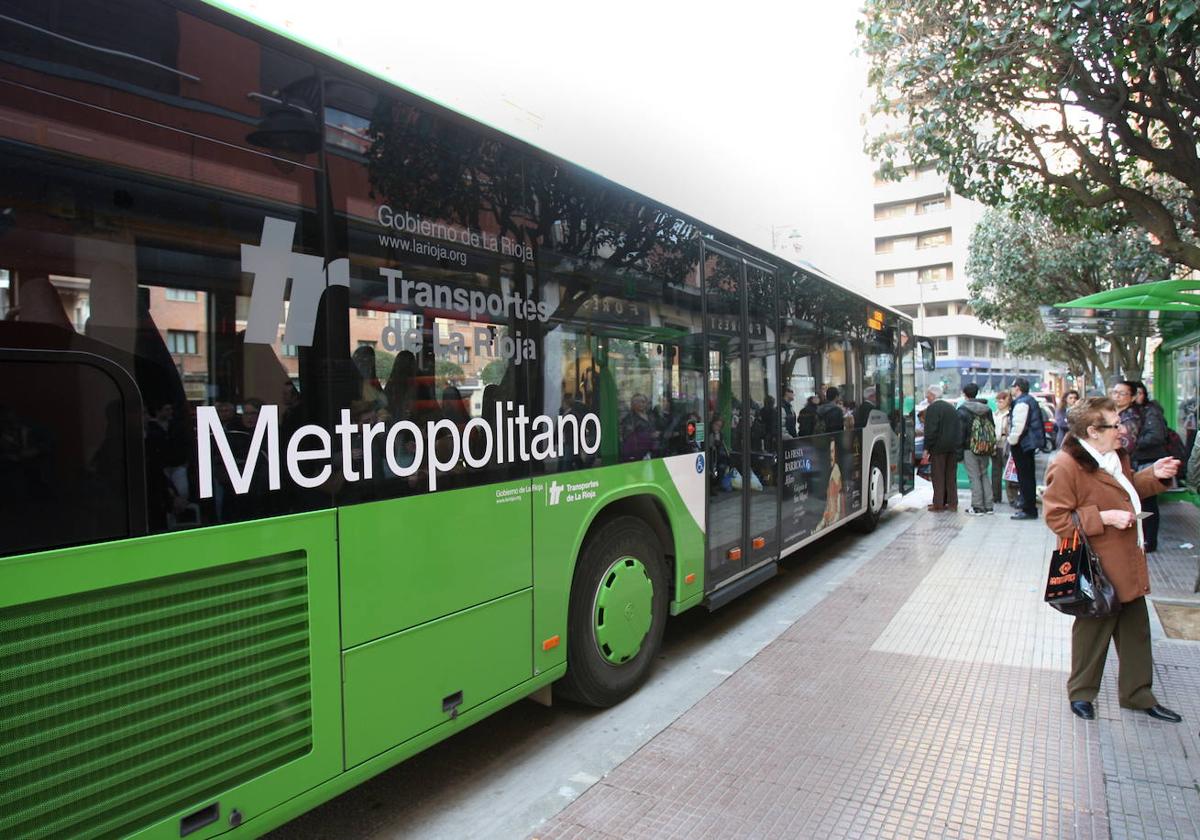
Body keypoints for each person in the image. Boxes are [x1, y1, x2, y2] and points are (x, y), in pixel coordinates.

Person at [1042, 396, 1182, 723]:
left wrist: (1154, 475)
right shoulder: (1066, 464)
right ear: (1093, 430)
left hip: (1128, 559)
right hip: (1098, 568)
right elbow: (1057, 519)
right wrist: (1103, 518)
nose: (1122, 429)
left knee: (1137, 634)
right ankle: (1081, 694)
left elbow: (1126, 490)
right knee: (1092, 633)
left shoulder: (1115, 455)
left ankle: (1137, 695)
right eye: (1115, 424)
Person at [1127, 381, 1168, 552]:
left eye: (1139, 393)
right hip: (1137, 460)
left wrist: (1133, 443)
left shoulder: (1150, 411)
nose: (1137, 397)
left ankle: (1150, 540)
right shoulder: (1130, 413)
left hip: (1149, 460)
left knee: (1148, 502)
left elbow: (1156, 436)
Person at [1007, 377, 1046, 520]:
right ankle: (1029, 507)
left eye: (1012, 387)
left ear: (1017, 388)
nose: (1011, 390)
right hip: (1028, 444)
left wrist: (1011, 440)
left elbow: (1018, 426)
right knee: (1028, 477)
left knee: (1025, 478)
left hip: (1022, 445)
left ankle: (1028, 508)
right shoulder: (1029, 400)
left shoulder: (1022, 402)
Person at [956, 383, 995, 514]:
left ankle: (977, 506)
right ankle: (989, 505)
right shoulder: (987, 410)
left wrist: (958, 453)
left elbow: (960, 433)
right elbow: (992, 428)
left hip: (969, 448)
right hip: (985, 447)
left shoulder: (962, 410)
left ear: (965, 394)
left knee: (974, 477)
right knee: (984, 474)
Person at [922, 385, 960, 511]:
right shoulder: (951, 408)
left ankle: (938, 503)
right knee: (950, 476)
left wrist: (927, 448)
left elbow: (931, 431)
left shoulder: (933, 408)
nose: (926, 397)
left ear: (933, 395)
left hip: (938, 448)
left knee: (938, 476)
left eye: (927, 394)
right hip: (952, 447)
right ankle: (952, 503)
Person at [992, 390, 1018, 507]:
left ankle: (1012, 498)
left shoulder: (1010, 415)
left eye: (1001, 401)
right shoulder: (995, 414)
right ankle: (996, 496)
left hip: (1006, 445)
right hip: (995, 445)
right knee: (995, 472)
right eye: (997, 401)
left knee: (1008, 473)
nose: (999, 403)